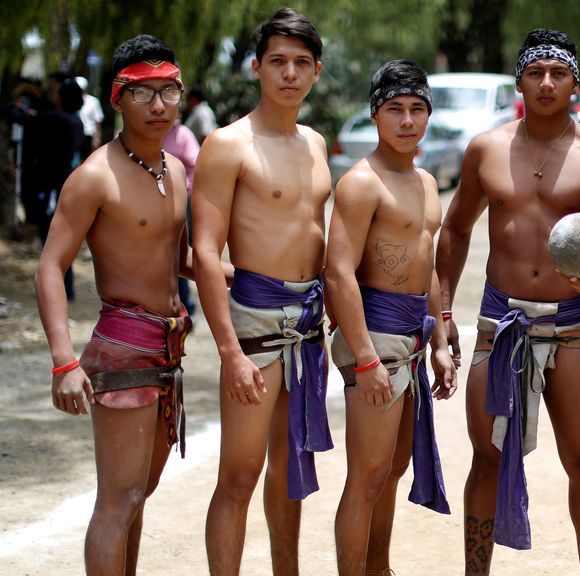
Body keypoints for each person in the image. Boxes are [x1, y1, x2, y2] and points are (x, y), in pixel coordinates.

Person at [435, 28, 580, 576]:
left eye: (559, 73)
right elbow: (453, 232)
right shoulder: (487, 149)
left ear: (575, 81)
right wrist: (444, 313)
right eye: (536, 72)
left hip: (572, 326)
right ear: (520, 79)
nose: (547, 83)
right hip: (502, 322)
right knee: (487, 458)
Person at [35, 34, 194, 575]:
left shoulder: (174, 172)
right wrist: (64, 361)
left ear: (181, 93)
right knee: (118, 499)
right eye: (142, 93)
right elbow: (49, 266)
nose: (157, 106)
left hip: (168, 347)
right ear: (116, 98)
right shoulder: (94, 177)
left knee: (138, 497)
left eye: (167, 91)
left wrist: (276, 280)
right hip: (122, 345)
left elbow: (186, 261)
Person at [192, 8, 330, 575]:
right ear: (256, 68)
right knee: (239, 474)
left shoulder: (317, 143)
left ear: (316, 72)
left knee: (291, 466)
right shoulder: (228, 145)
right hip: (253, 325)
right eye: (277, 61)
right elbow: (205, 250)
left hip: (309, 324)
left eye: (301, 63)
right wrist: (228, 352)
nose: (289, 73)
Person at [326, 59, 457, 576]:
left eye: (417, 109)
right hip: (375, 334)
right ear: (375, 116)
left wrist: (441, 339)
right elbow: (338, 272)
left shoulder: (426, 182)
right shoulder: (362, 183)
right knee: (368, 474)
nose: (407, 121)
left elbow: (424, 265)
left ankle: (378, 568)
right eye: (395, 110)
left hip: (412, 338)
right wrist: (363, 357)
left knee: (393, 468)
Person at [22, 77, 87, 299]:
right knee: (64, 240)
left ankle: (56, 287)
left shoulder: (48, 119)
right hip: (69, 187)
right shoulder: (77, 123)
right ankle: (65, 286)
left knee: (50, 241)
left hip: (49, 187)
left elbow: (31, 142)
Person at [161, 121, 201, 317]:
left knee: (177, 252)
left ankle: (185, 305)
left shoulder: (182, 134)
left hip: (178, 198)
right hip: (152, 200)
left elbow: (195, 165)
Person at [76, 76, 105, 154]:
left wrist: (97, 138)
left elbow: (98, 121)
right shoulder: (71, 102)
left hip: (88, 136)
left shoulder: (93, 101)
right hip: (74, 136)